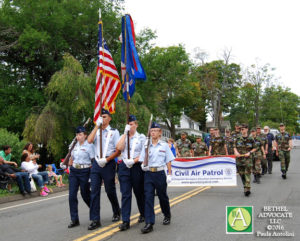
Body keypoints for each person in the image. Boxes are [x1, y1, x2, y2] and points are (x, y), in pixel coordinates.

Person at [87, 108, 121, 230]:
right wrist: (97, 126)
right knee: (94, 191)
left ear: (110, 118)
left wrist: (107, 160)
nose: (103, 118)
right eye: (101, 116)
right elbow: (89, 140)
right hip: (96, 163)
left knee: (109, 190)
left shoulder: (114, 132)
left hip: (108, 162)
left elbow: (118, 150)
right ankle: (95, 219)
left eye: (105, 116)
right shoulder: (96, 131)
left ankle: (116, 210)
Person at [139, 122, 174, 234]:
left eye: (155, 130)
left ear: (160, 132)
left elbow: (168, 160)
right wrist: (143, 165)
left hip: (159, 174)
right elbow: (142, 159)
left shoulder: (164, 145)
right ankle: (149, 223)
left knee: (162, 196)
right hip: (149, 173)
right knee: (148, 197)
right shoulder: (146, 145)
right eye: (151, 130)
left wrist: (169, 173)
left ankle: (167, 214)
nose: (153, 132)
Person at [116, 115, 146, 231]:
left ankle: (143, 213)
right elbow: (118, 148)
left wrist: (133, 160)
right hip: (124, 166)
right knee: (125, 193)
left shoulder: (141, 137)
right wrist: (124, 133)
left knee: (139, 192)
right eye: (128, 124)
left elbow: (144, 153)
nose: (130, 126)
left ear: (136, 125)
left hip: (136, 166)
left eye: (132, 124)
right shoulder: (123, 136)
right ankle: (125, 221)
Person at [63, 126, 94, 228]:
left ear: (85, 135)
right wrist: (66, 164)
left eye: (80, 134)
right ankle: (74, 219)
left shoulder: (89, 146)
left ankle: (94, 212)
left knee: (85, 195)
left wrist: (92, 175)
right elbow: (71, 158)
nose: (78, 136)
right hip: (74, 172)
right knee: (72, 196)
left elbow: (93, 161)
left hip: (85, 171)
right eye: (77, 134)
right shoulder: (74, 146)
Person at [234, 124, 256, 197]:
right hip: (239, 159)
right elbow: (234, 147)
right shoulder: (237, 138)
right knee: (242, 174)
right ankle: (245, 187)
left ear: (247, 129)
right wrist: (236, 152)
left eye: (243, 129)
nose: (242, 130)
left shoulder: (251, 139)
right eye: (241, 129)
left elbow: (255, 148)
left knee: (247, 173)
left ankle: (247, 188)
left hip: (248, 159)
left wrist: (249, 152)